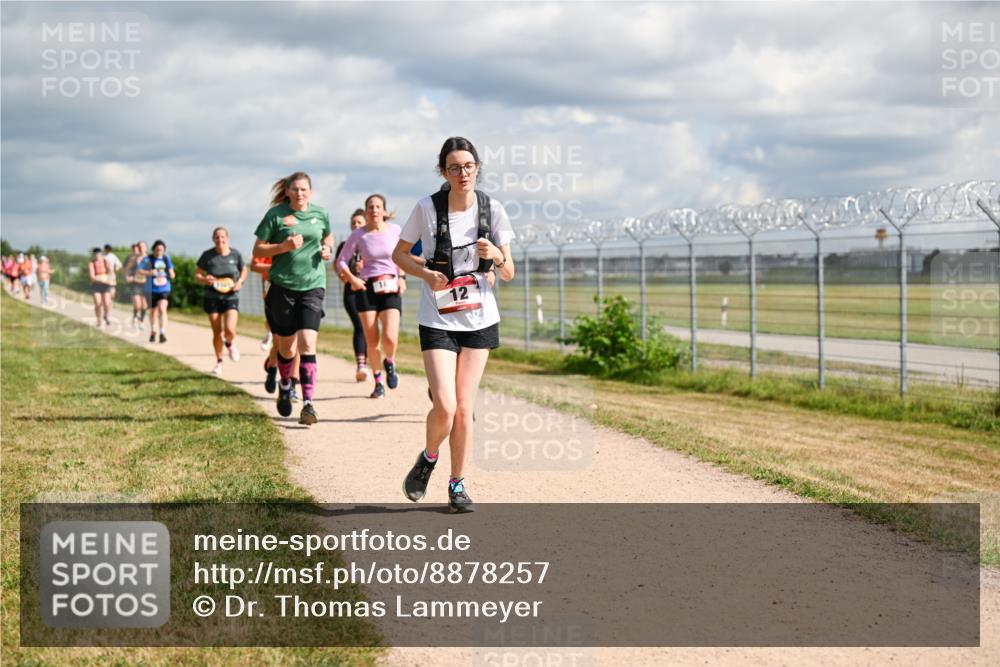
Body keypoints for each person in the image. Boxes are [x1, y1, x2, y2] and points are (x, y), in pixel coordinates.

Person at [392, 137, 515, 513]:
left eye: (468, 166)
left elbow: (508, 272)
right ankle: (429, 458)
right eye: (454, 168)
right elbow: (400, 255)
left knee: (464, 407)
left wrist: (496, 256)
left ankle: (457, 484)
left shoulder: (493, 209)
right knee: (444, 405)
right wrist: (426, 275)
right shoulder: (427, 208)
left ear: (477, 168)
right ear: (443, 172)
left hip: (479, 319)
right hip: (438, 317)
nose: (463, 173)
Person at [252, 171, 333, 426]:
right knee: (286, 348)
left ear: (311, 192)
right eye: (295, 189)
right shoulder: (275, 215)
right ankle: (285, 384)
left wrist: (328, 248)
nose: (300, 193)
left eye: (304, 189)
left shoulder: (320, 214)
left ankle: (308, 403)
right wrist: (283, 247)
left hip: (313, 286)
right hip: (283, 288)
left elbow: (327, 235)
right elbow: (257, 249)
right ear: (287, 191)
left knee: (307, 343)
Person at [336, 195, 406, 398]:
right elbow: (341, 260)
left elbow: (402, 256)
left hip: (390, 285)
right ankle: (378, 382)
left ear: (384, 210)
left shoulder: (395, 230)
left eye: (378, 207)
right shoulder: (358, 234)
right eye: (370, 207)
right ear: (366, 211)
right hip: (367, 288)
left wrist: (402, 277)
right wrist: (353, 279)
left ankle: (390, 361)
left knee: (390, 337)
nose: (374, 210)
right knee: (372, 340)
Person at [195, 227, 248, 375]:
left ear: (227, 238)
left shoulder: (235, 254)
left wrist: (240, 282)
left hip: (231, 296)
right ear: (213, 239)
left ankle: (229, 344)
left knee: (230, 330)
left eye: (222, 237)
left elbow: (244, 270)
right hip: (212, 296)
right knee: (217, 332)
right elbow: (197, 275)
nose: (220, 240)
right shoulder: (207, 255)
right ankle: (219, 362)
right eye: (217, 237)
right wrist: (205, 279)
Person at [250, 253, 302, 398]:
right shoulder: (269, 243)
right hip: (274, 296)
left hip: (299, 292)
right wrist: (279, 267)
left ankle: (292, 385)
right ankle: (272, 369)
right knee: (279, 342)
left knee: (298, 342)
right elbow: (254, 266)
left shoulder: (301, 242)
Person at [335, 209, 370, 382]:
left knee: (370, 329)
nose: (356, 225)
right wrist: (352, 273)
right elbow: (340, 272)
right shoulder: (345, 246)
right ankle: (361, 365)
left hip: (370, 292)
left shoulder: (371, 243)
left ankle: (370, 363)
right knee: (360, 326)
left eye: (359, 223)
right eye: (353, 223)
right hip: (351, 293)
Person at [137, 240, 175, 343]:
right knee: (153, 311)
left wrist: (171, 274)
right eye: (157, 249)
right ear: (153, 249)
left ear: (164, 250)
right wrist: (149, 272)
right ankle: (153, 331)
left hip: (164, 288)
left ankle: (162, 332)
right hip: (150, 289)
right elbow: (139, 270)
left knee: (162, 309)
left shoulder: (166, 259)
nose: (159, 252)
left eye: (161, 250)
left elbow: (172, 272)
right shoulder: (147, 259)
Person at [123, 243, 148, 328]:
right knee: (137, 304)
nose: (141, 249)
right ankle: (135, 316)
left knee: (144, 305)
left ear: (146, 248)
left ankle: (141, 321)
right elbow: (127, 268)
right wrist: (127, 276)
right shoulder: (134, 258)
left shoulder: (150, 258)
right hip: (136, 283)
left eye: (142, 247)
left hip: (146, 284)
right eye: (139, 247)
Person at [87, 248, 113, 326]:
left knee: (107, 303)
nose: (97, 256)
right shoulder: (91, 263)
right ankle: (99, 320)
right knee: (98, 303)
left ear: (101, 254)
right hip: (96, 285)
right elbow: (92, 277)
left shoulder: (106, 262)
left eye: (98, 254)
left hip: (106, 285)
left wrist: (108, 278)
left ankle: (106, 315)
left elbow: (110, 273)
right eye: (95, 254)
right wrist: (101, 279)